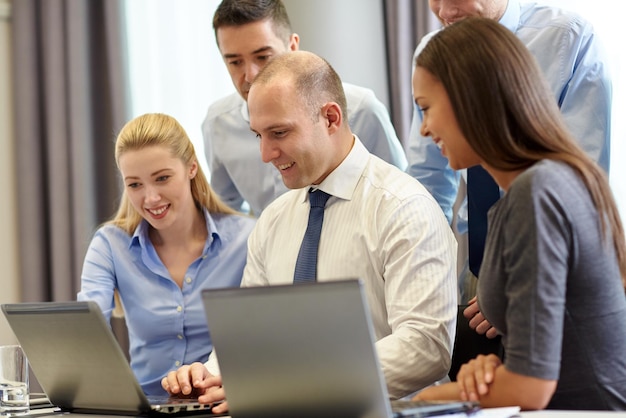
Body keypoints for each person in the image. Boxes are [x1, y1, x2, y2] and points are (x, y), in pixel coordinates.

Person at [162, 51, 458, 414]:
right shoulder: (272, 221)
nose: (266, 154)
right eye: (258, 135)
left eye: (279, 133)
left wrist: (293, 382)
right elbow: (249, 338)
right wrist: (208, 376)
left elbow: (425, 348)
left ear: (330, 118)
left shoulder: (404, 207)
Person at [411, 17, 626, 410]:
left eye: (426, 108)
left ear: (471, 98)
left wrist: (424, 400)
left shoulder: (536, 193)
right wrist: (491, 371)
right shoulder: (543, 184)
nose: (424, 129)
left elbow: (531, 387)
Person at [407, 0, 612, 305]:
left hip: (548, 265)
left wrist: (516, 285)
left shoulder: (568, 38)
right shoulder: (434, 50)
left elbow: (577, 189)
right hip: (477, 268)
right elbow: (428, 179)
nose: (445, 12)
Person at [78, 113, 255, 396]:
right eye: (135, 184)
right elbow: (87, 329)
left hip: (224, 404)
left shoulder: (247, 238)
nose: (150, 198)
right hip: (145, 409)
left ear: (192, 168)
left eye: (162, 178)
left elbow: (266, 338)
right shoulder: (110, 245)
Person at [204, 0, 407, 216]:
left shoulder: (361, 110)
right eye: (235, 62)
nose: (251, 75)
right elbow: (226, 213)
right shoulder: (218, 124)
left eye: (263, 57)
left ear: (292, 47)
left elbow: (399, 193)